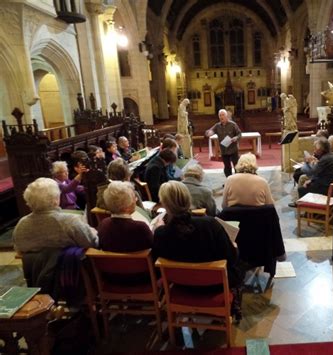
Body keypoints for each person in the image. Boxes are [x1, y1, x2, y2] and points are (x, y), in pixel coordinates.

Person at [152, 181, 242, 316]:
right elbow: (231, 257)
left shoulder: (161, 233)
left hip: (180, 286)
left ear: (164, 204)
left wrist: (159, 229)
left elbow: (158, 264)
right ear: (188, 200)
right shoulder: (210, 224)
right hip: (215, 286)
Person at [13, 178, 98, 253]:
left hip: (36, 270)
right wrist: (93, 232)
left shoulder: (21, 225)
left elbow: (19, 249)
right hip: (73, 269)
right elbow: (92, 243)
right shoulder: (70, 221)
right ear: (55, 200)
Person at [98, 181, 153, 252]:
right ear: (126, 207)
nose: (136, 200)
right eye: (134, 198)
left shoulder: (103, 225)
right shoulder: (140, 228)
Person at [289, 137, 333, 207]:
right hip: (326, 183)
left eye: (316, 149)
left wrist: (307, 162)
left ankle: (305, 209)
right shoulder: (331, 155)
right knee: (304, 181)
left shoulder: (325, 159)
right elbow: (321, 173)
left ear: (321, 150)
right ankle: (301, 204)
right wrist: (311, 180)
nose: (314, 150)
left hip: (325, 188)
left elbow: (311, 172)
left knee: (301, 189)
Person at [205, 109, 242, 177]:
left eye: (223, 115)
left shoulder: (233, 124)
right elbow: (209, 131)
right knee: (227, 168)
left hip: (233, 149)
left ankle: (237, 180)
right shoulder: (217, 126)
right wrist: (209, 133)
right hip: (224, 150)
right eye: (220, 115)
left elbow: (239, 134)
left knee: (237, 166)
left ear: (226, 116)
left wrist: (236, 138)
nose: (221, 117)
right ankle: (229, 181)